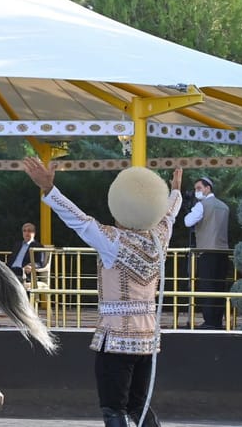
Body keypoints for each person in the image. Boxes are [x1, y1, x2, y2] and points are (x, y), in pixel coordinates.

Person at [23, 158, 181, 427]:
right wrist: (174, 192)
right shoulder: (160, 237)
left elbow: (80, 221)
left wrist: (49, 189)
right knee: (138, 407)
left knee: (114, 408)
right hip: (147, 340)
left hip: (115, 339)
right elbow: (170, 214)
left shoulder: (113, 241)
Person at [182, 175, 229, 329]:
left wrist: (191, 209)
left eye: (199, 188)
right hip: (223, 252)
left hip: (207, 251)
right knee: (219, 288)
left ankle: (209, 322)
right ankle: (217, 321)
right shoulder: (224, 206)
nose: (197, 192)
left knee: (207, 287)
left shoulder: (202, 205)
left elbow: (188, 221)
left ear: (208, 188)